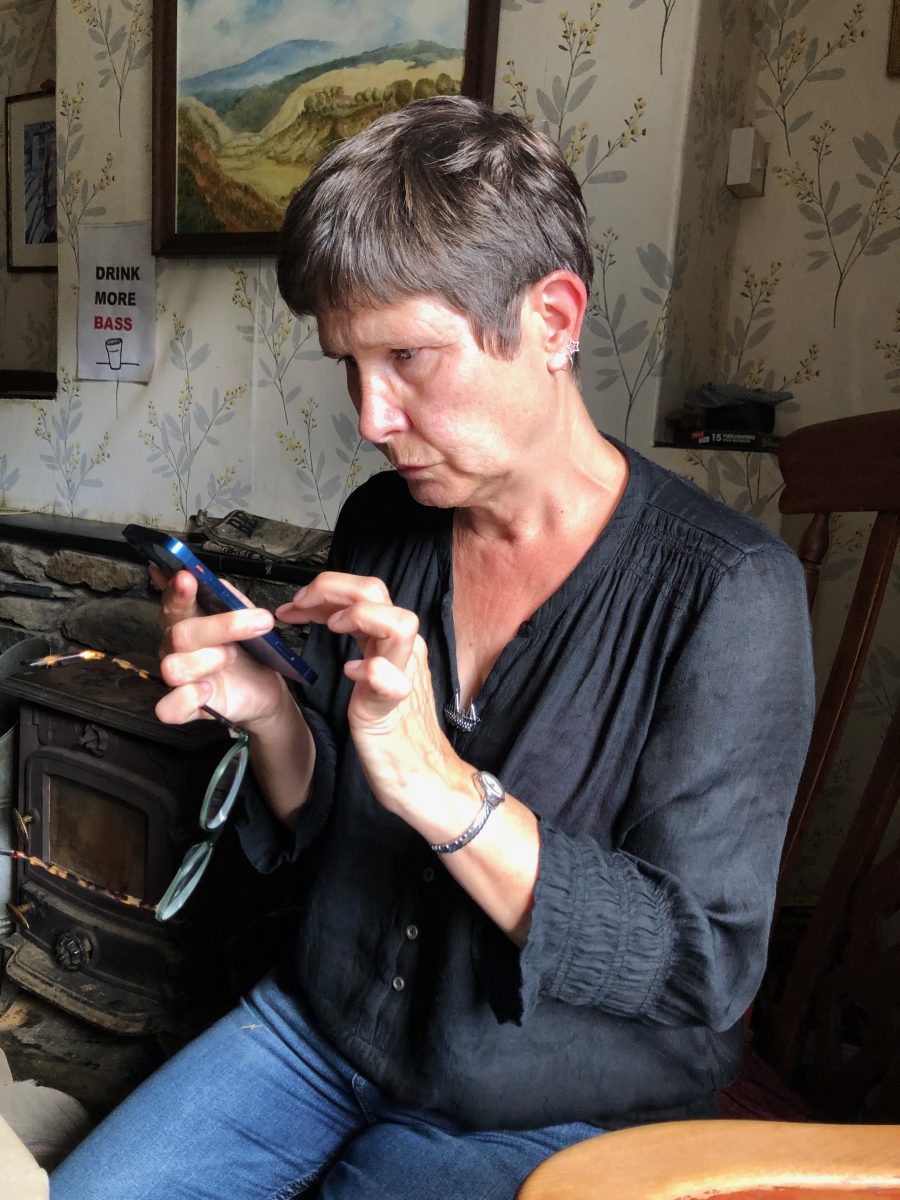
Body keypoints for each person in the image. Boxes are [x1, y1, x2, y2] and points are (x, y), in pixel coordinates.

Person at [51, 96, 814, 1200]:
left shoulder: (728, 591)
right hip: (328, 1027)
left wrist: (442, 787)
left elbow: (699, 965)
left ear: (552, 319)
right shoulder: (387, 520)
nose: (371, 416)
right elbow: (330, 824)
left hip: (550, 1091)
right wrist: (268, 711)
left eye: (408, 356)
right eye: (348, 364)